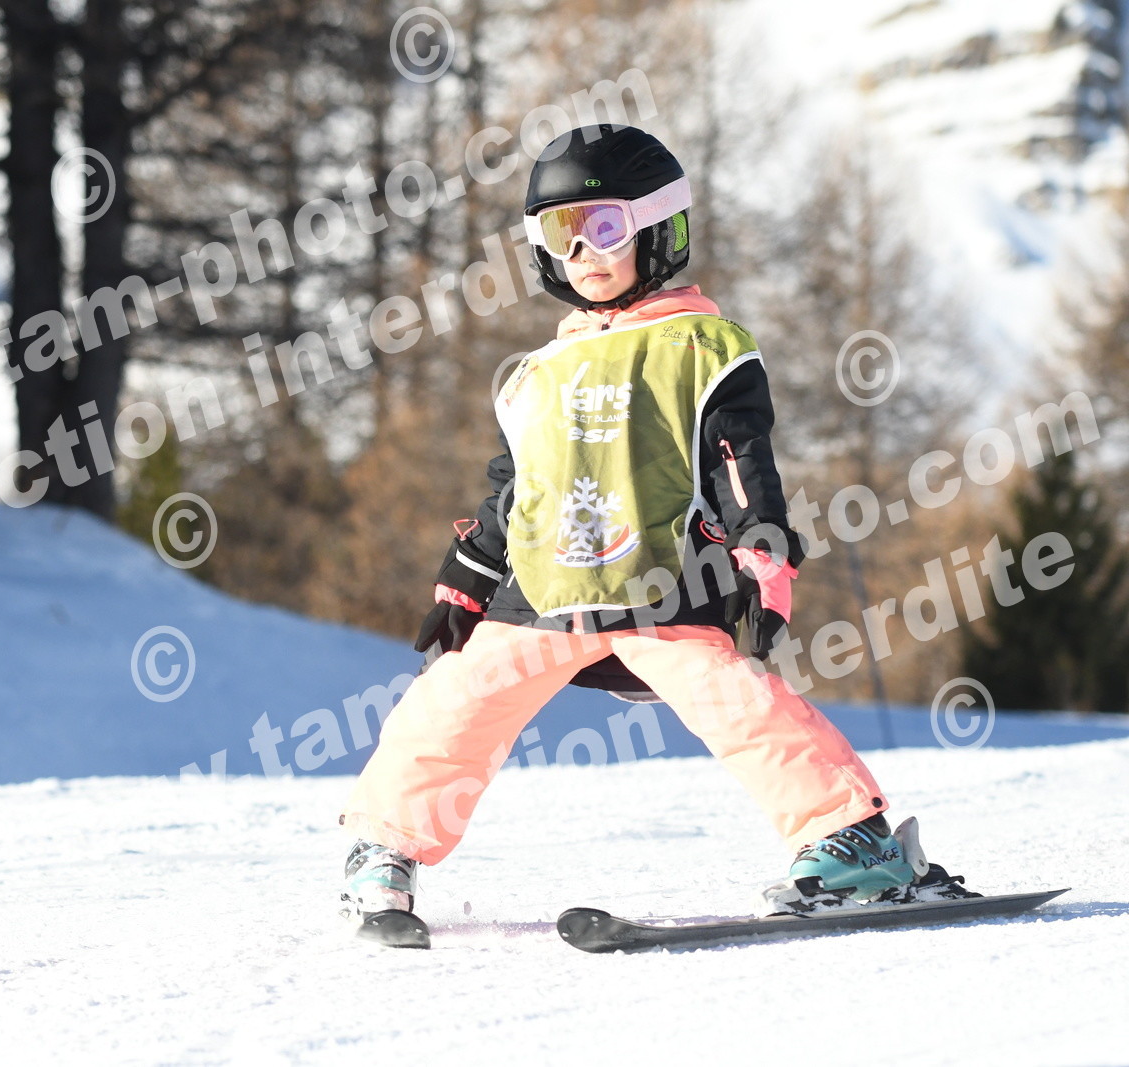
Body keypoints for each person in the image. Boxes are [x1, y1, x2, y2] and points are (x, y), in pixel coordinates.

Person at [339, 124, 966, 925]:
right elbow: (517, 487)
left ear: (659, 227)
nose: (585, 253)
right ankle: (383, 848)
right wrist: (469, 574)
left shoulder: (703, 346)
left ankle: (853, 841)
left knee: (744, 708)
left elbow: (737, 457)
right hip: (542, 590)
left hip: (662, 580)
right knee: (452, 706)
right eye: (562, 234)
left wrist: (762, 546)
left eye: (605, 227)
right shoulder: (535, 373)